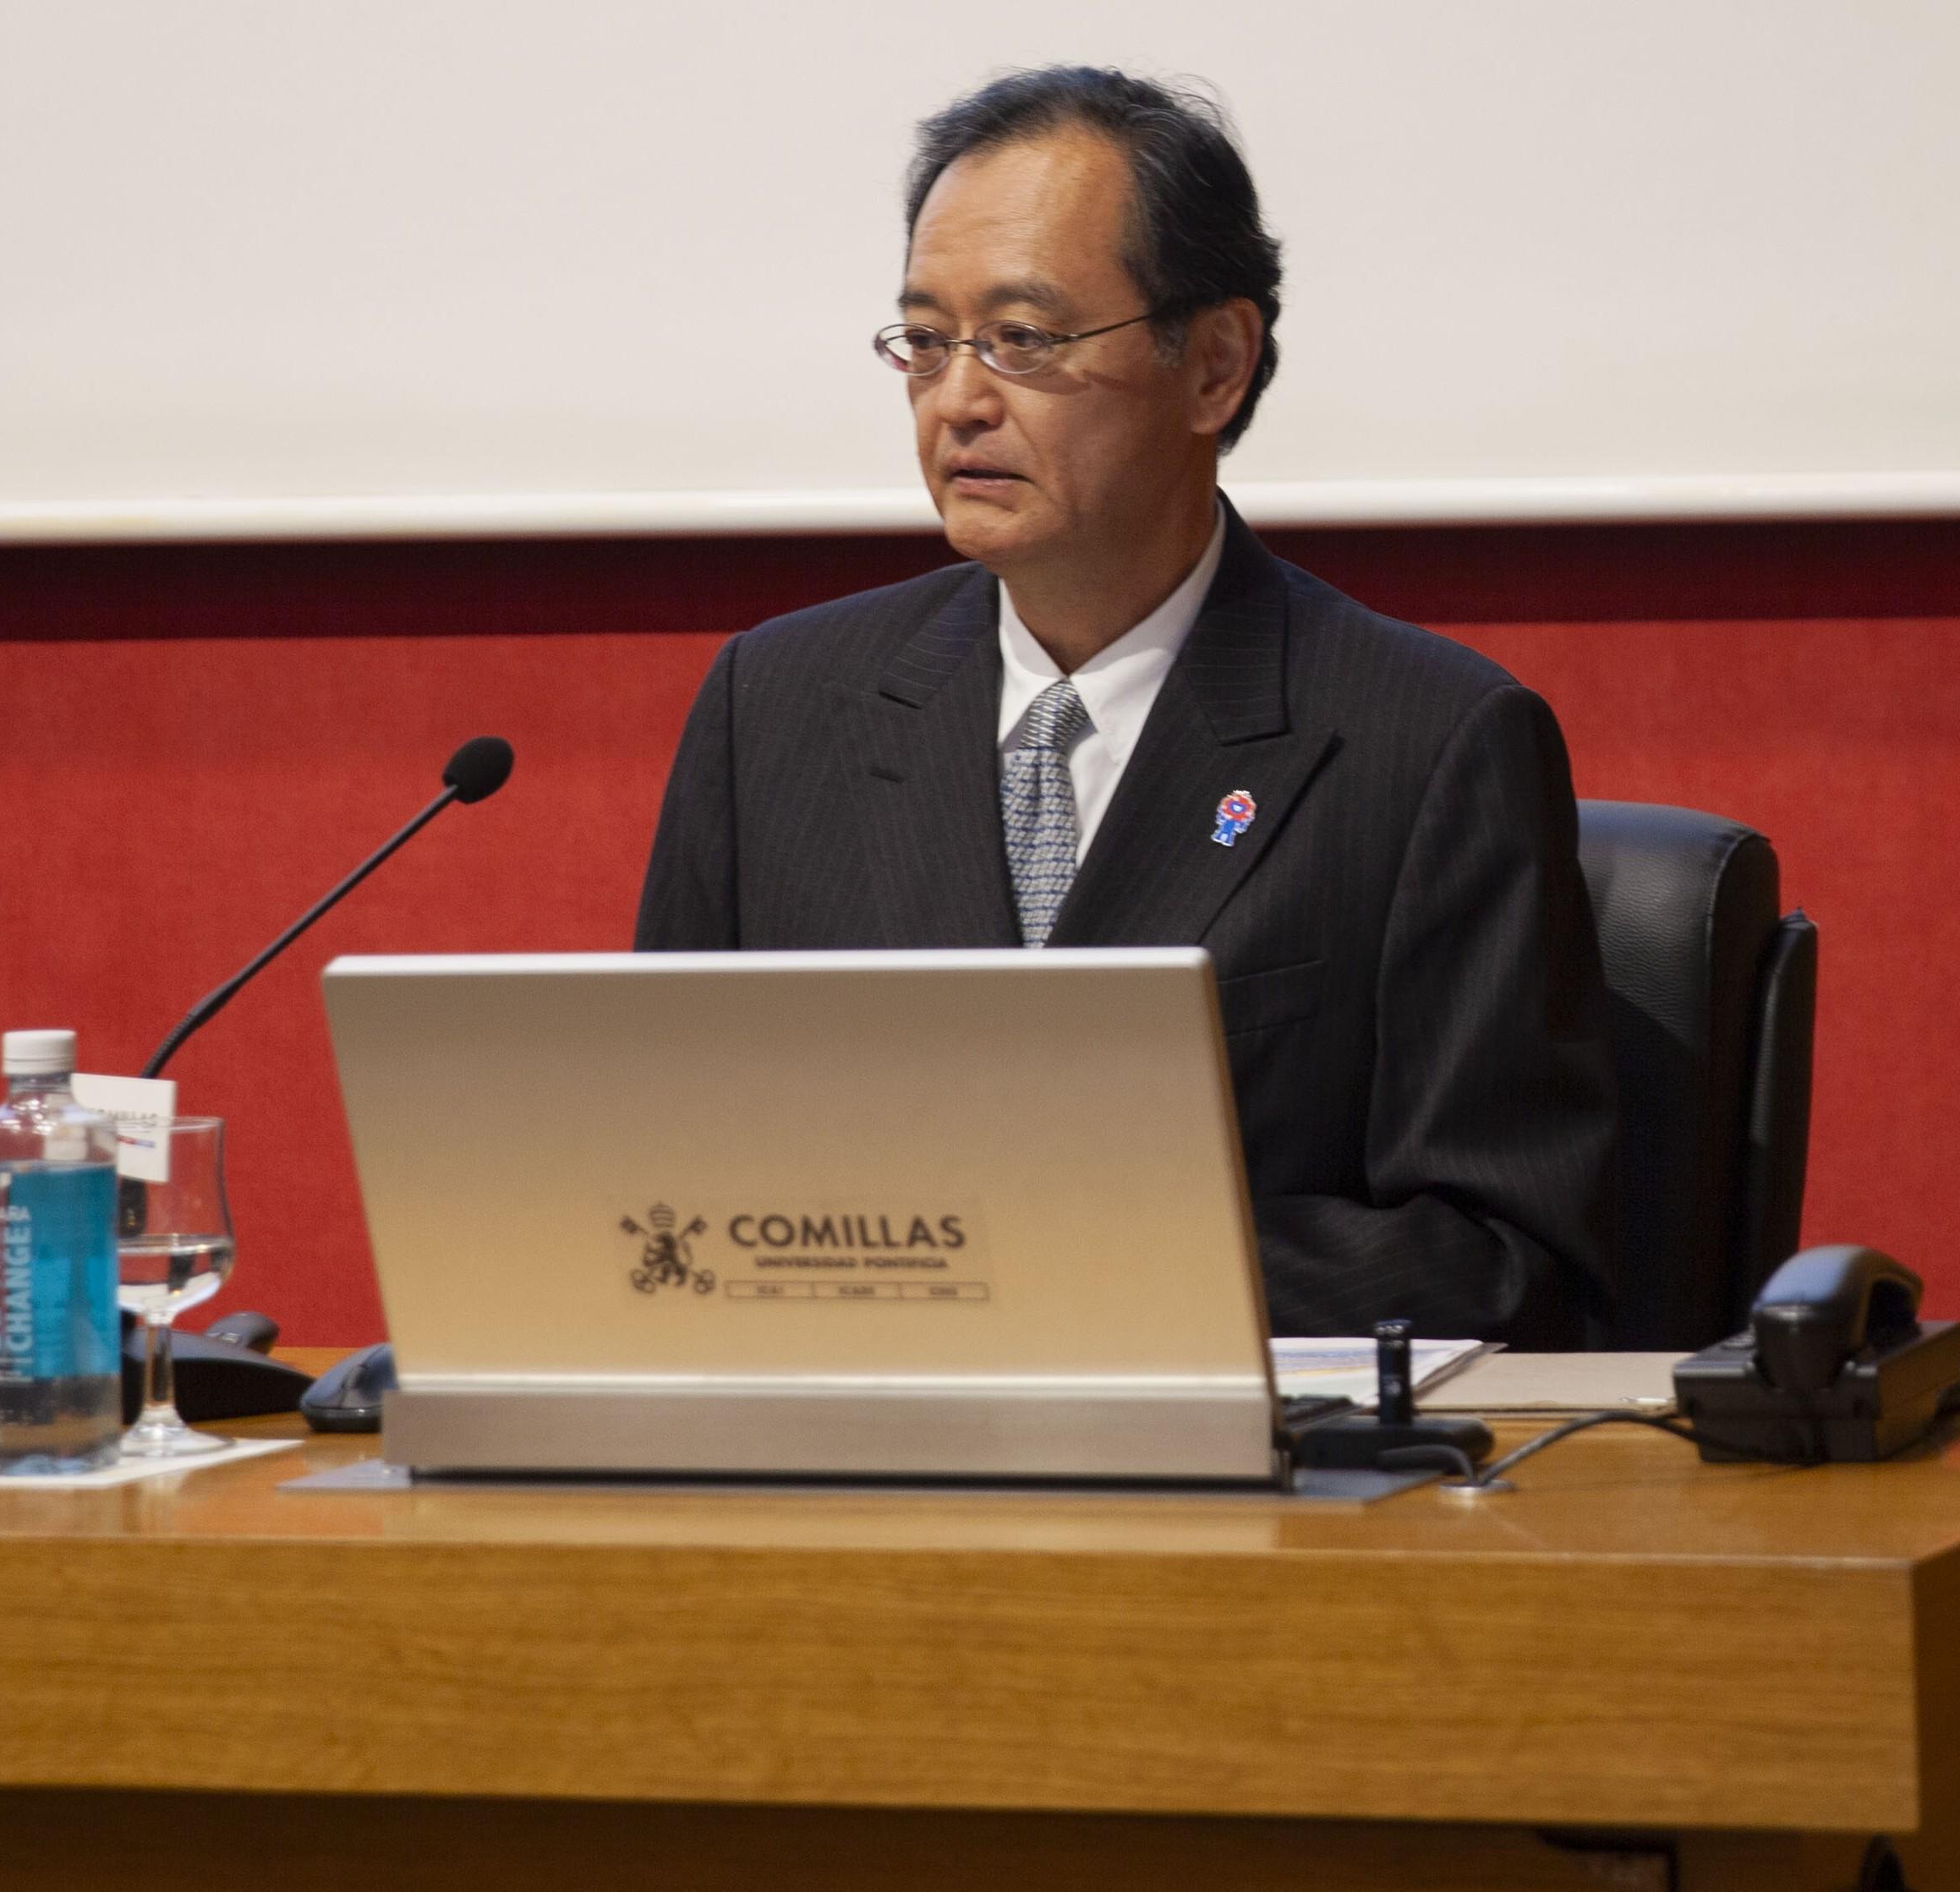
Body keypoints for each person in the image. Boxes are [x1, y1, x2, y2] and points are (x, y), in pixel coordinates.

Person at [637, 67, 1617, 1347]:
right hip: (838, 1472)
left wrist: (1046, 1260)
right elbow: (650, 1169)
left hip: (1241, 1500)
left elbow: (1503, 1261)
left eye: (1025, 340)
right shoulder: (773, 708)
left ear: (1213, 365)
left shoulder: (1423, 740)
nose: (957, 400)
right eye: (926, 341)